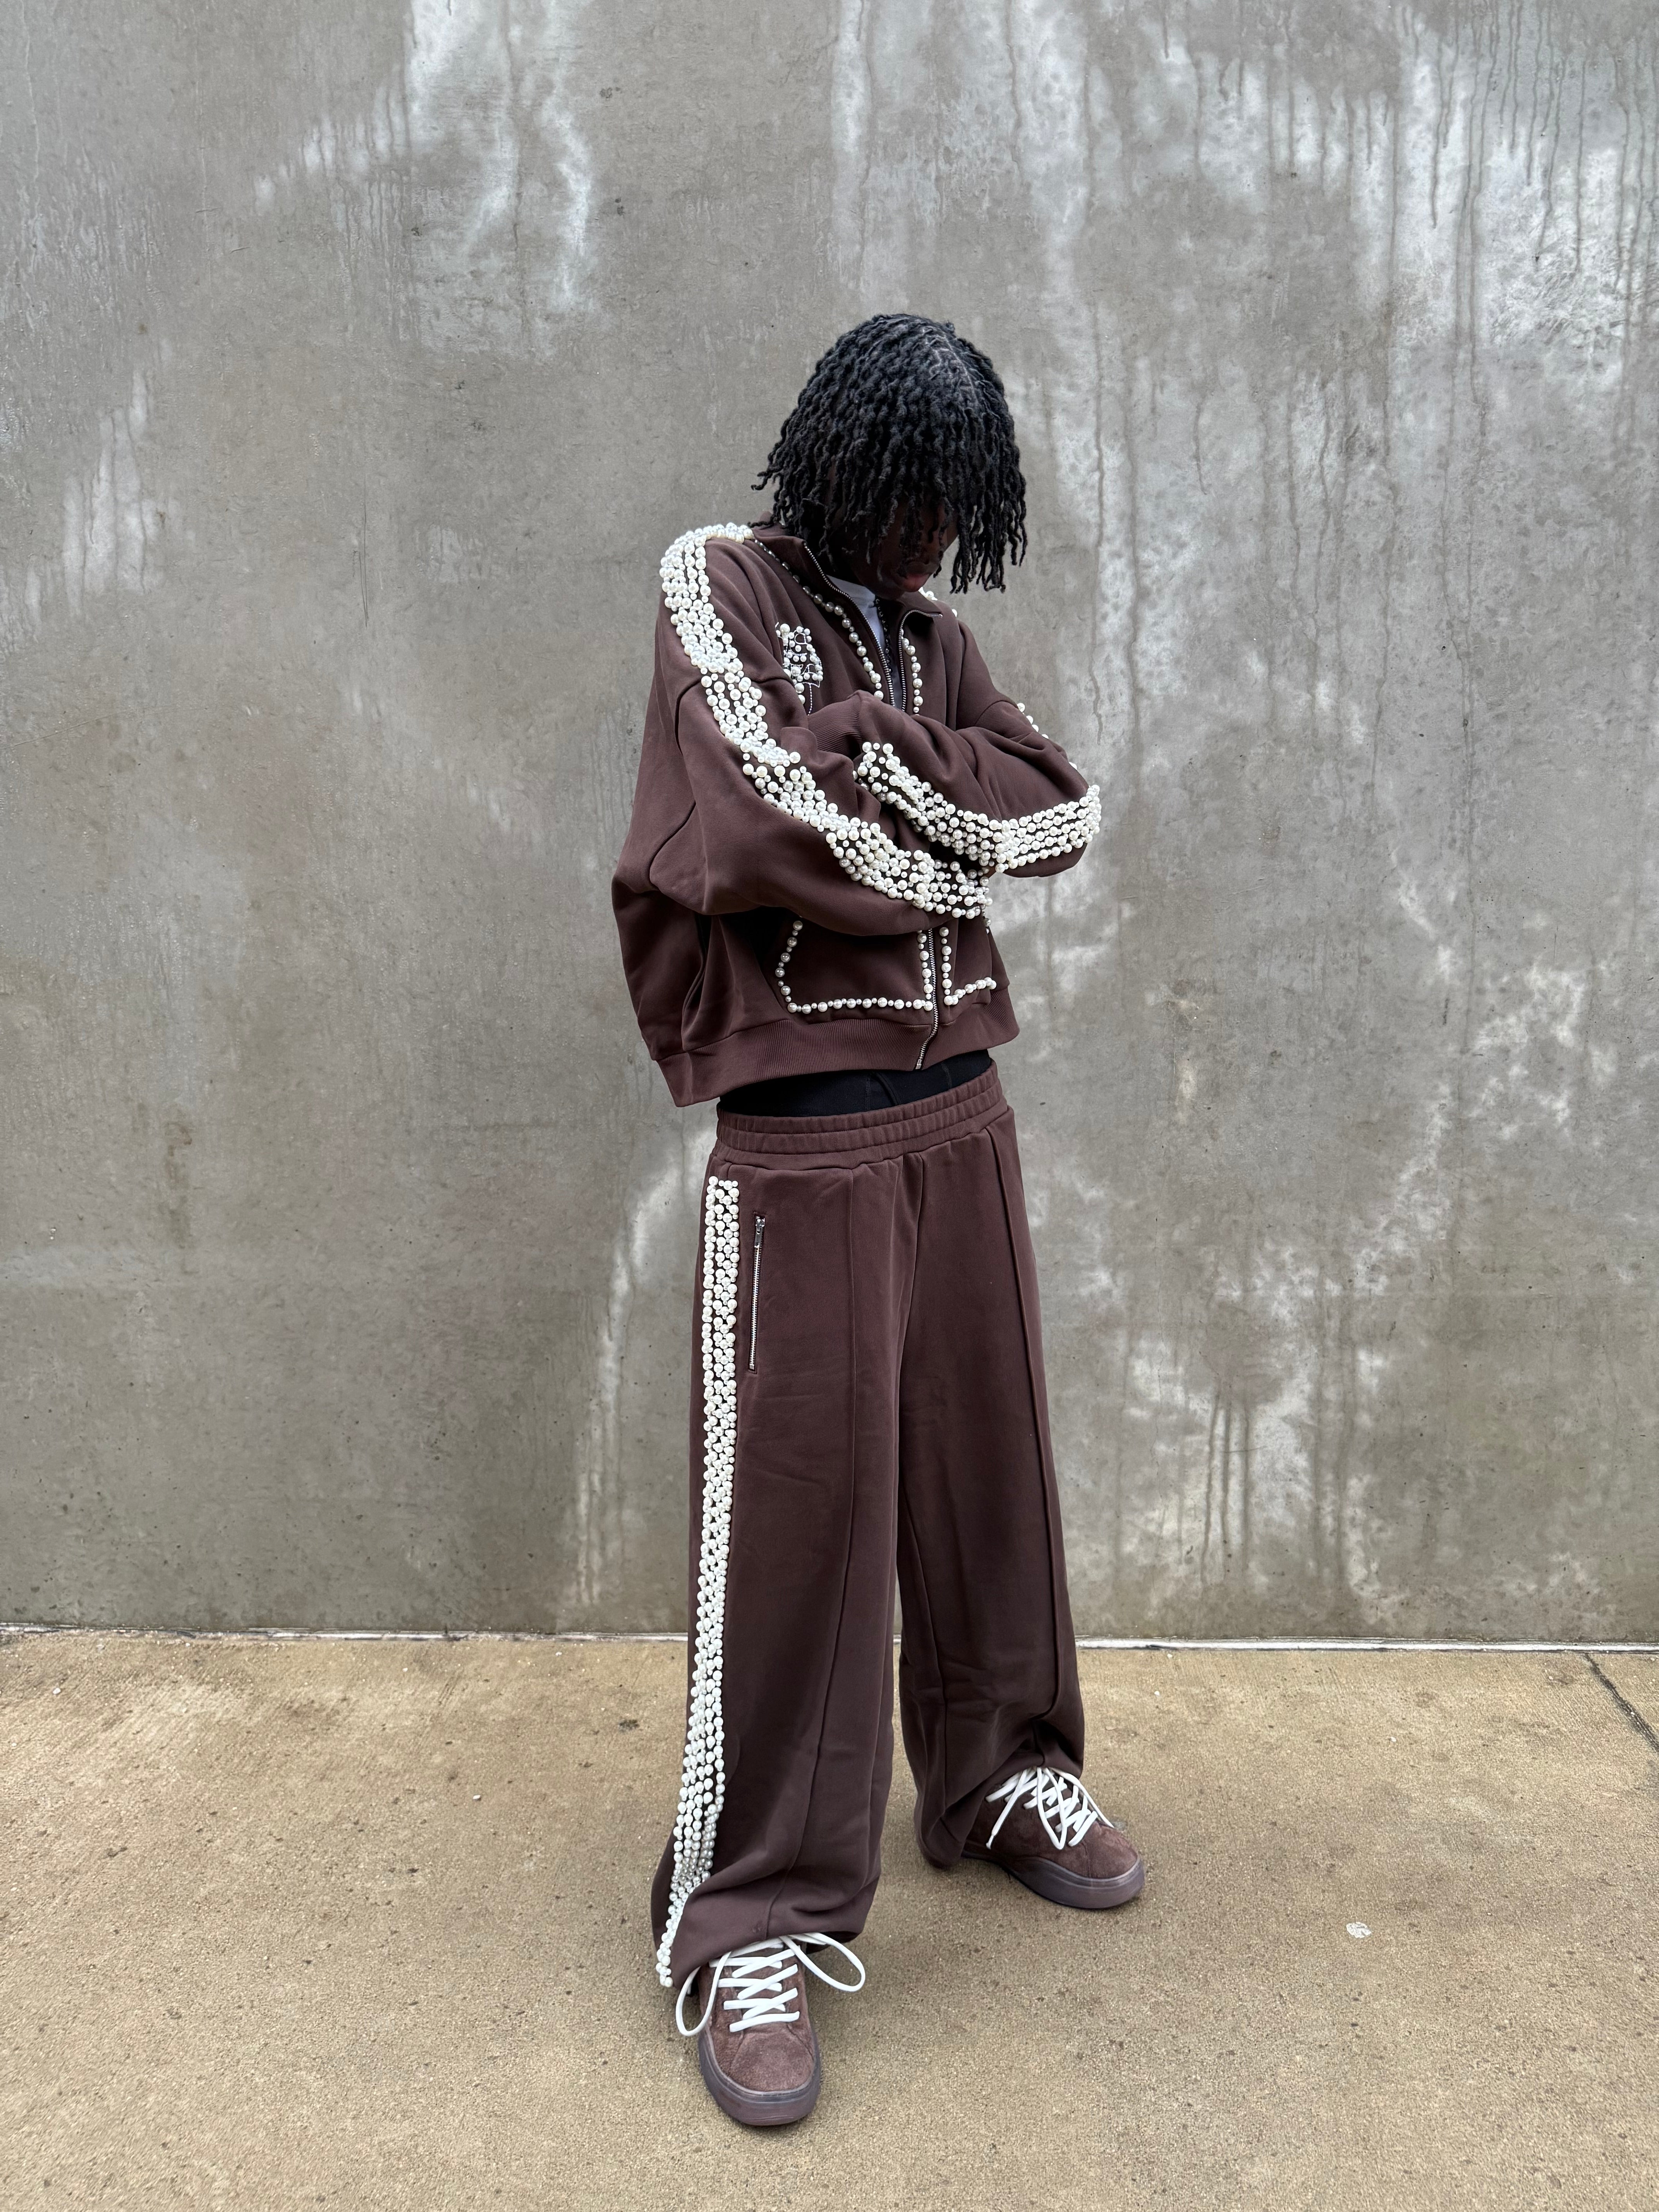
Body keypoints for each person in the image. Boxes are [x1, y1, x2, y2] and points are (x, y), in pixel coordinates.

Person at [611, 313, 1142, 2129]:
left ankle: (998, 1773)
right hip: (805, 1138)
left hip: (963, 1107)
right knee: (798, 1522)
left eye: (960, 512)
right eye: (916, 498)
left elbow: (1061, 817)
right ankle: (746, 1912)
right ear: (841, 460)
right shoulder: (717, 583)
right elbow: (766, 816)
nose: (932, 542)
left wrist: (888, 748)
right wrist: (929, 799)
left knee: (990, 1476)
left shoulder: (935, 638)